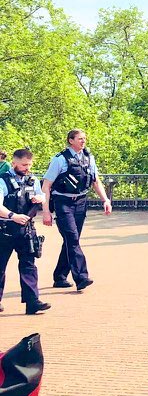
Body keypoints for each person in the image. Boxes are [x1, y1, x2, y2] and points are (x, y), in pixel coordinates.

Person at [41, 129, 112, 291]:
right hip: (63, 202)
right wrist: (46, 211)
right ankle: (81, 277)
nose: (83, 141)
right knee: (72, 239)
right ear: (70, 140)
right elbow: (46, 185)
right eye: (80, 138)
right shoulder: (59, 159)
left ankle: (59, 277)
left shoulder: (89, 158)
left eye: (84, 138)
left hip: (81, 202)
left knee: (71, 240)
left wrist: (105, 199)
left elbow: (95, 181)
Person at [0, 149, 50, 314]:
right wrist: (13, 216)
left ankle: (32, 302)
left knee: (29, 265)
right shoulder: (3, 180)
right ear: (13, 163)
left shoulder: (32, 179)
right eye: (23, 165)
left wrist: (40, 198)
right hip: (5, 228)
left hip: (26, 230)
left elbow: (42, 195)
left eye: (29, 164)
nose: (26, 168)